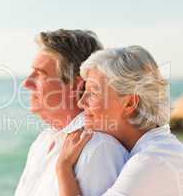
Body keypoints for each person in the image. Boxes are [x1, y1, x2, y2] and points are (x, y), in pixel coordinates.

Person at [56, 45, 183, 196]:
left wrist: (63, 167)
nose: (81, 103)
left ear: (129, 103)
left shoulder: (151, 160)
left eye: (93, 93)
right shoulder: (155, 149)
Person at [15, 29, 128, 196]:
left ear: (76, 85)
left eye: (39, 74)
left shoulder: (99, 149)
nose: (27, 83)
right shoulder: (42, 142)